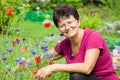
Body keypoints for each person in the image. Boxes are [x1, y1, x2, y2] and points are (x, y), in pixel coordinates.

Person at [35, 3, 120, 80]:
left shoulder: (93, 37)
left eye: (70, 22)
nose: (67, 27)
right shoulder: (65, 44)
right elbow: (43, 58)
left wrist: (54, 67)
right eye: (62, 26)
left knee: (76, 76)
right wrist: (25, 64)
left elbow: (87, 68)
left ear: (78, 21)